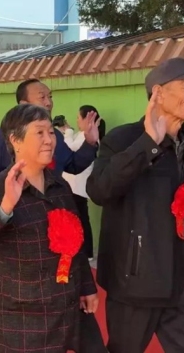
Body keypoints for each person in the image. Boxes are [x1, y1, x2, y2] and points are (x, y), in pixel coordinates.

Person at [86, 57, 184, 353]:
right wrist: (148, 143)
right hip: (135, 284)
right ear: (159, 93)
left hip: (182, 284)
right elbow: (99, 190)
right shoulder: (121, 139)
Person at [0, 104, 99, 352]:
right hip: (22, 320)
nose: (49, 140)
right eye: (40, 133)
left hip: (65, 307)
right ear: (15, 140)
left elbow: (74, 244)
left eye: (51, 132)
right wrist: (5, 206)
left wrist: (87, 287)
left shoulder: (60, 187)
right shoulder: (0, 187)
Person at [0, 79, 99, 186]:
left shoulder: (54, 135)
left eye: (50, 96)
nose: (48, 103)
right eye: (42, 97)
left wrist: (89, 141)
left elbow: (73, 165)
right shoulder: (3, 136)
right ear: (24, 104)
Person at [62, 105, 106, 259]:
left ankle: (86, 252)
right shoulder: (82, 135)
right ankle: (83, 251)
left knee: (81, 220)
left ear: (87, 119)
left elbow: (68, 150)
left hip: (78, 186)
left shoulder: (86, 136)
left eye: (78, 118)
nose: (76, 121)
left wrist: (67, 132)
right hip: (75, 185)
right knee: (80, 219)